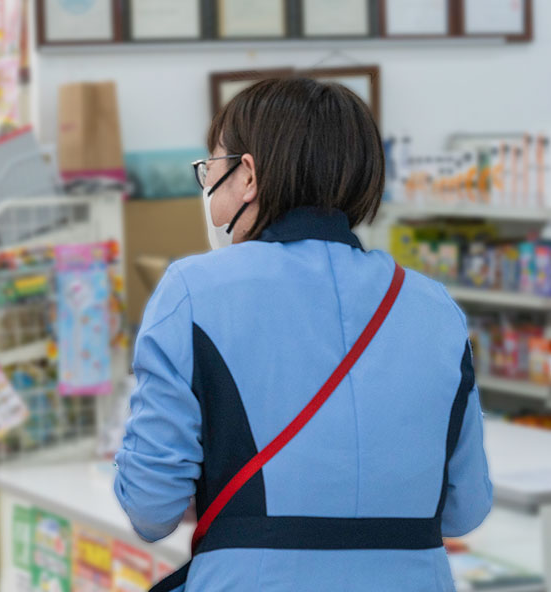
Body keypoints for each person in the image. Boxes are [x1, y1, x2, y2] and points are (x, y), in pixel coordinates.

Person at [114, 78, 493, 591]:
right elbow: (465, 508)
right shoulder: (434, 307)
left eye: (211, 170)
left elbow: (150, 506)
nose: (208, 192)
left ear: (247, 176)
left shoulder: (192, 291)